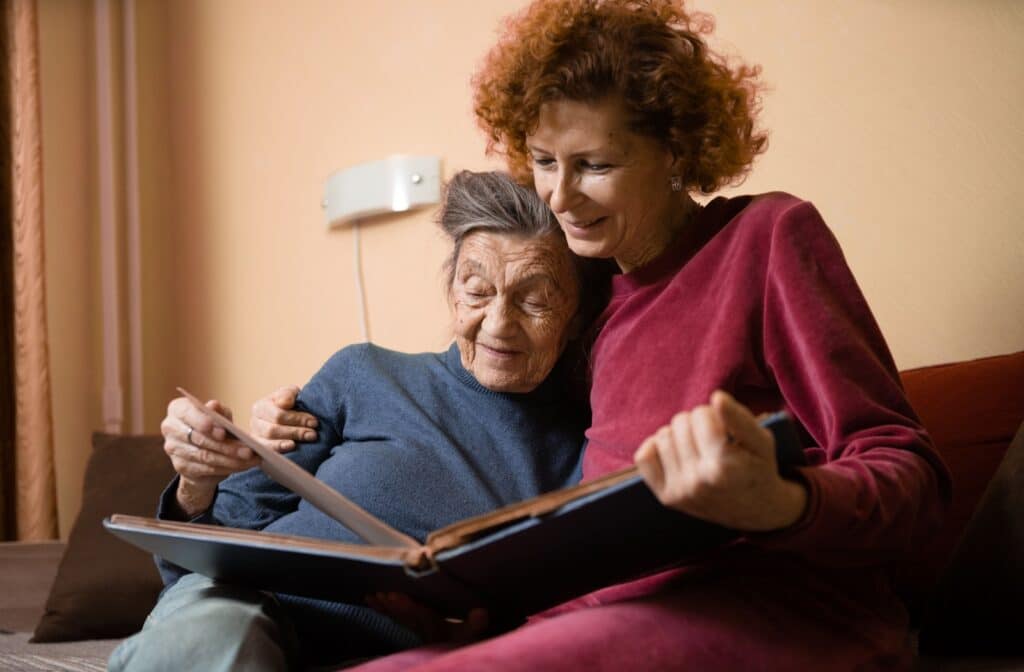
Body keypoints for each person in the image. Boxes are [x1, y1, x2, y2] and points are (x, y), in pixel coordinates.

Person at [261, 1, 951, 669]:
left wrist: (781, 503)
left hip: (789, 615)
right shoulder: (594, 313)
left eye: (595, 165)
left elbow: (909, 475)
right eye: (543, 160)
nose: (560, 196)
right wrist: (487, 622)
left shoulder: (765, 239)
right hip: (615, 624)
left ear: (675, 151)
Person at [107, 170, 611, 672]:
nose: (499, 323)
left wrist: (478, 633)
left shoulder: (587, 452)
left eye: (535, 300)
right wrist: (197, 480)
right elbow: (200, 557)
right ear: (451, 290)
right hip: (245, 612)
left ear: (577, 316)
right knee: (216, 642)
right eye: (477, 291)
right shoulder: (362, 373)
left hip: (398, 652)